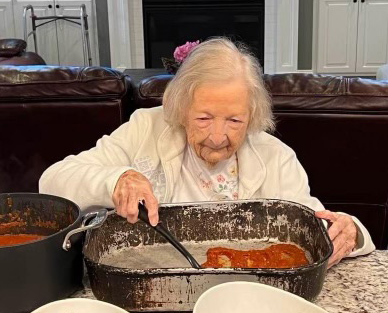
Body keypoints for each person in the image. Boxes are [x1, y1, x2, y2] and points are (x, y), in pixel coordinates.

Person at [39, 37, 375, 268]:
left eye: (234, 120)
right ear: (180, 107)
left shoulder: (275, 157)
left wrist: (352, 231)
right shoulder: (145, 128)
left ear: (253, 116)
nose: (217, 137)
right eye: (203, 118)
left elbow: (318, 225)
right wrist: (116, 179)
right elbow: (51, 182)